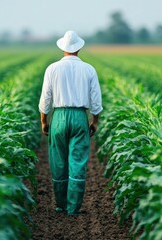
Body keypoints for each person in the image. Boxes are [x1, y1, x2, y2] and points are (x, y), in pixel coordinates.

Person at [38, 30, 103, 216]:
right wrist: (94, 121)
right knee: (78, 162)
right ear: (79, 48)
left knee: (58, 161)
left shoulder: (52, 69)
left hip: (58, 116)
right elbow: (96, 101)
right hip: (79, 116)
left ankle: (60, 206)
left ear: (62, 48)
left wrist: (44, 121)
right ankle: (73, 208)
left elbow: (45, 100)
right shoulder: (89, 69)